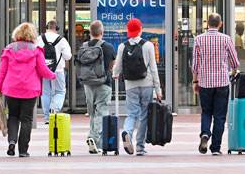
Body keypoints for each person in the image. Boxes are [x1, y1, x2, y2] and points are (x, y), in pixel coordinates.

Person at [0, 23, 55, 157]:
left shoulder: (9, 49)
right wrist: (53, 75)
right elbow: (42, 70)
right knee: (26, 119)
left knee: (13, 116)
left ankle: (12, 141)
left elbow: (2, 71)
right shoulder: (37, 50)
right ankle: (23, 150)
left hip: (11, 89)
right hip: (30, 90)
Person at [191, 13, 239, 156]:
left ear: (207, 24)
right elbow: (234, 61)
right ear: (220, 24)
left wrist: (195, 81)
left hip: (205, 82)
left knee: (206, 112)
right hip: (222, 83)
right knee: (220, 116)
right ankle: (216, 148)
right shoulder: (226, 39)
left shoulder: (199, 39)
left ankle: (205, 134)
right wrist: (234, 70)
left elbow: (195, 65)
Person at [113, 18, 162, 156]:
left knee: (132, 113)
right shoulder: (148, 45)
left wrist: (115, 74)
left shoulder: (122, 46)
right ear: (140, 29)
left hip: (130, 85)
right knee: (144, 115)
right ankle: (140, 147)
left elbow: (118, 67)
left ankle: (127, 132)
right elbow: (153, 69)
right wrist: (158, 89)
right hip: (146, 84)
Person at [79, 20, 116, 154]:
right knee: (102, 111)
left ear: (90, 33)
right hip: (103, 83)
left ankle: (94, 141)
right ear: (102, 32)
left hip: (88, 84)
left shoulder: (83, 46)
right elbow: (112, 66)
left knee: (93, 113)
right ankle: (93, 138)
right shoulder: (108, 47)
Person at [36, 20, 73, 119]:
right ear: (57, 29)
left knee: (45, 92)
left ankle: (47, 117)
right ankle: (54, 108)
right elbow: (68, 56)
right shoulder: (61, 40)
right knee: (60, 91)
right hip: (58, 70)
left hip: (43, 70)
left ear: (47, 28)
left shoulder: (40, 39)